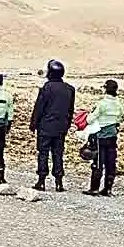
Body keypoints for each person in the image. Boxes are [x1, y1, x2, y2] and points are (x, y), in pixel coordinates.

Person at [29, 59, 76, 192]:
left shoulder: (47, 88)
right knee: (58, 154)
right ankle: (59, 182)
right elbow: (70, 110)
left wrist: (33, 123)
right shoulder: (70, 89)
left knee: (43, 153)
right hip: (61, 127)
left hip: (45, 126)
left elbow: (39, 107)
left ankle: (41, 181)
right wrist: (66, 125)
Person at [83, 79, 124, 197]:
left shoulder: (101, 104)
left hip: (100, 135)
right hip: (112, 135)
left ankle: (94, 188)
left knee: (98, 161)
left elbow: (90, 119)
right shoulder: (118, 104)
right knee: (110, 162)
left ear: (105, 89)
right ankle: (108, 188)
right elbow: (120, 119)